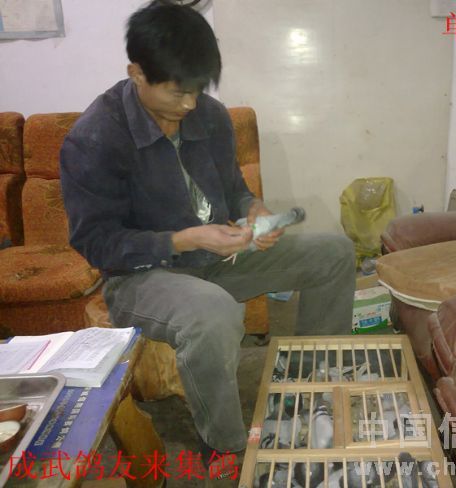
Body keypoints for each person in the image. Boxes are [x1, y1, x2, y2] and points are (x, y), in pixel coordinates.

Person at [59, 0, 355, 481]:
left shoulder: (209, 116)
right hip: (141, 278)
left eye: (198, 90)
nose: (190, 105)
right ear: (136, 73)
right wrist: (182, 239)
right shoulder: (94, 138)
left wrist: (253, 212)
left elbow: (234, 188)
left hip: (217, 259)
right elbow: (96, 243)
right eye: (178, 92)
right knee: (212, 311)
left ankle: (315, 385)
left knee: (333, 253)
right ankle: (224, 444)